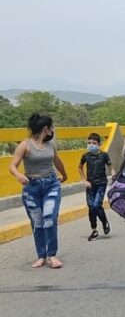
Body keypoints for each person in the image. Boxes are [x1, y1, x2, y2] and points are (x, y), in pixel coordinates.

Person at [8, 113, 68, 269]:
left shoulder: (50, 146)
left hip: (51, 185)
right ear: (46, 129)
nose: (52, 130)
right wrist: (19, 175)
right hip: (31, 188)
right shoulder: (25, 145)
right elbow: (12, 165)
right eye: (51, 127)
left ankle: (52, 255)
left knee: (49, 218)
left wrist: (64, 174)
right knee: (38, 223)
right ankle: (41, 256)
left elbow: (57, 160)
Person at [78, 133, 114, 241]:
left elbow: (111, 166)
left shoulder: (104, 155)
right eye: (89, 143)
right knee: (91, 208)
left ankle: (104, 222)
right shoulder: (85, 156)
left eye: (94, 143)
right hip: (90, 185)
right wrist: (84, 180)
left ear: (99, 144)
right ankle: (94, 230)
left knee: (97, 205)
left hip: (101, 184)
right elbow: (79, 168)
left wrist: (114, 176)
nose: (91, 145)